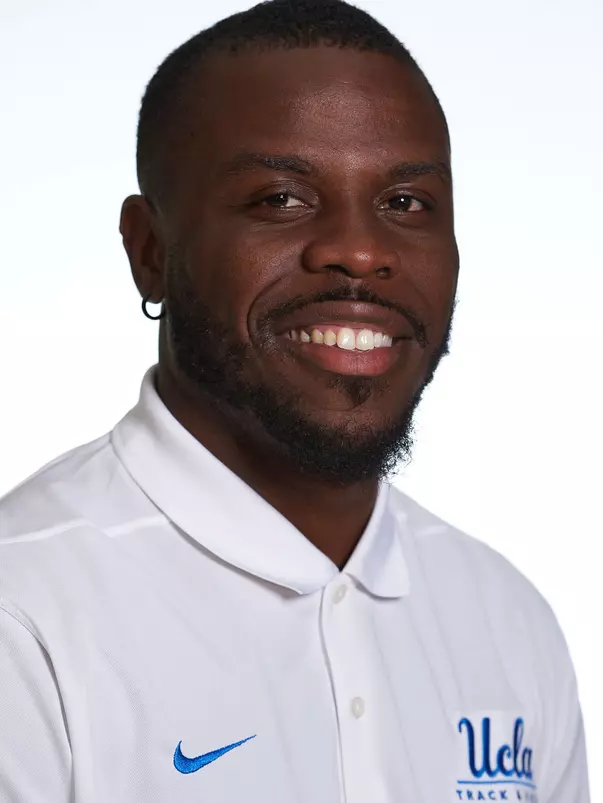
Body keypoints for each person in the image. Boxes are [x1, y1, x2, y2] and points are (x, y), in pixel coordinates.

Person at [0, 0, 590, 800]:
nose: (359, 249)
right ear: (149, 252)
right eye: (280, 198)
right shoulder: (26, 612)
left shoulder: (506, 620)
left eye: (406, 203)